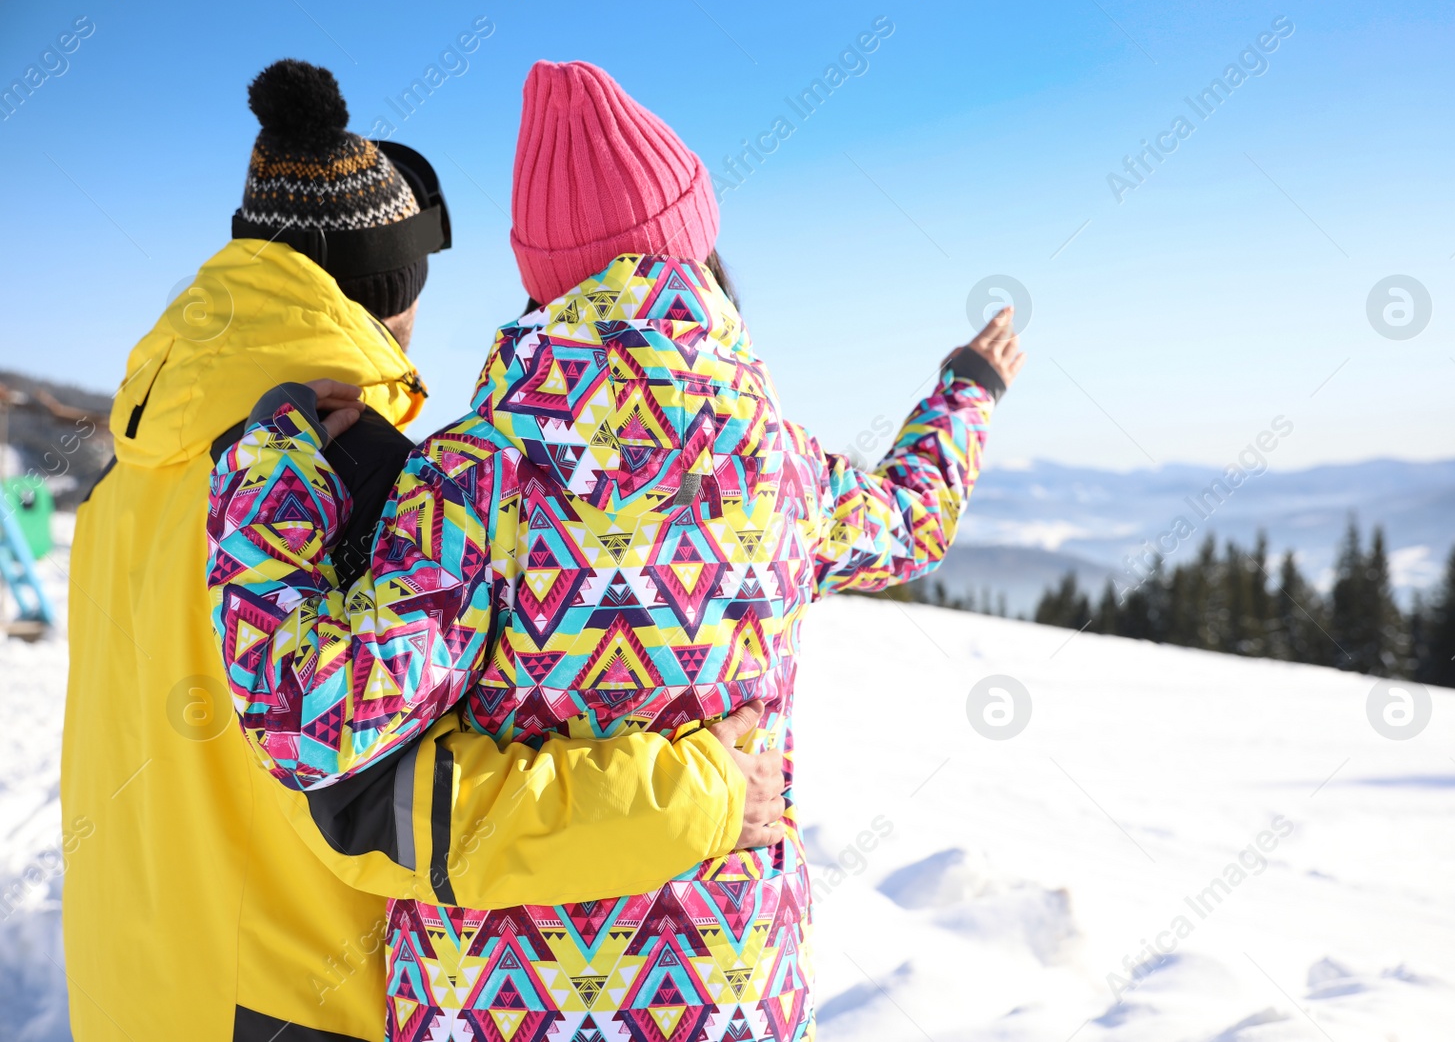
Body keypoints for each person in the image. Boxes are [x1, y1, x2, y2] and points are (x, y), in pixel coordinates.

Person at [207, 59, 1024, 1040]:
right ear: (696, 252)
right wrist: (967, 389)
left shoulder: (476, 477)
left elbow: (311, 721)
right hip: (726, 992)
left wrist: (274, 468)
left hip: (494, 1004)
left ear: (538, 274)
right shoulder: (782, 466)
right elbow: (910, 518)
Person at [63, 59, 776, 1042]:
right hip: (293, 1005)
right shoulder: (352, 481)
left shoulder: (128, 475)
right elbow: (392, 810)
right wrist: (698, 799)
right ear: (395, 292)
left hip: (129, 984)